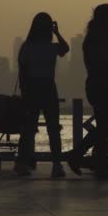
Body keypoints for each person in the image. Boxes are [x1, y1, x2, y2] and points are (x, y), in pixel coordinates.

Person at [68, 4, 108, 179]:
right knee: (105, 127)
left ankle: (93, 161)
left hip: (96, 86)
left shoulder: (92, 38)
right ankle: (84, 157)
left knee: (104, 127)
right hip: (104, 86)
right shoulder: (103, 40)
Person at [14, 13, 70, 177]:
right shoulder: (51, 47)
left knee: (29, 129)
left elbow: (22, 71)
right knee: (53, 128)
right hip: (48, 88)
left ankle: (22, 163)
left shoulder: (27, 46)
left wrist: (24, 92)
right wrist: (57, 32)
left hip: (32, 88)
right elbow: (65, 48)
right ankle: (57, 165)